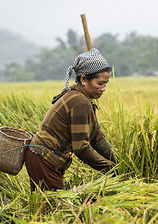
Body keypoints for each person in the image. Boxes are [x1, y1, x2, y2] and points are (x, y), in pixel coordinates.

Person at [25, 48, 116, 191]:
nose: (103, 88)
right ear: (83, 79)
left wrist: (120, 159)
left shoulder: (82, 98)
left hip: (42, 156)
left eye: (106, 83)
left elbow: (96, 136)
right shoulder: (79, 102)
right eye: (100, 83)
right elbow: (81, 148)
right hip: (44, 158)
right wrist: (109, 167)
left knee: (48, 206)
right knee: (54, 207)